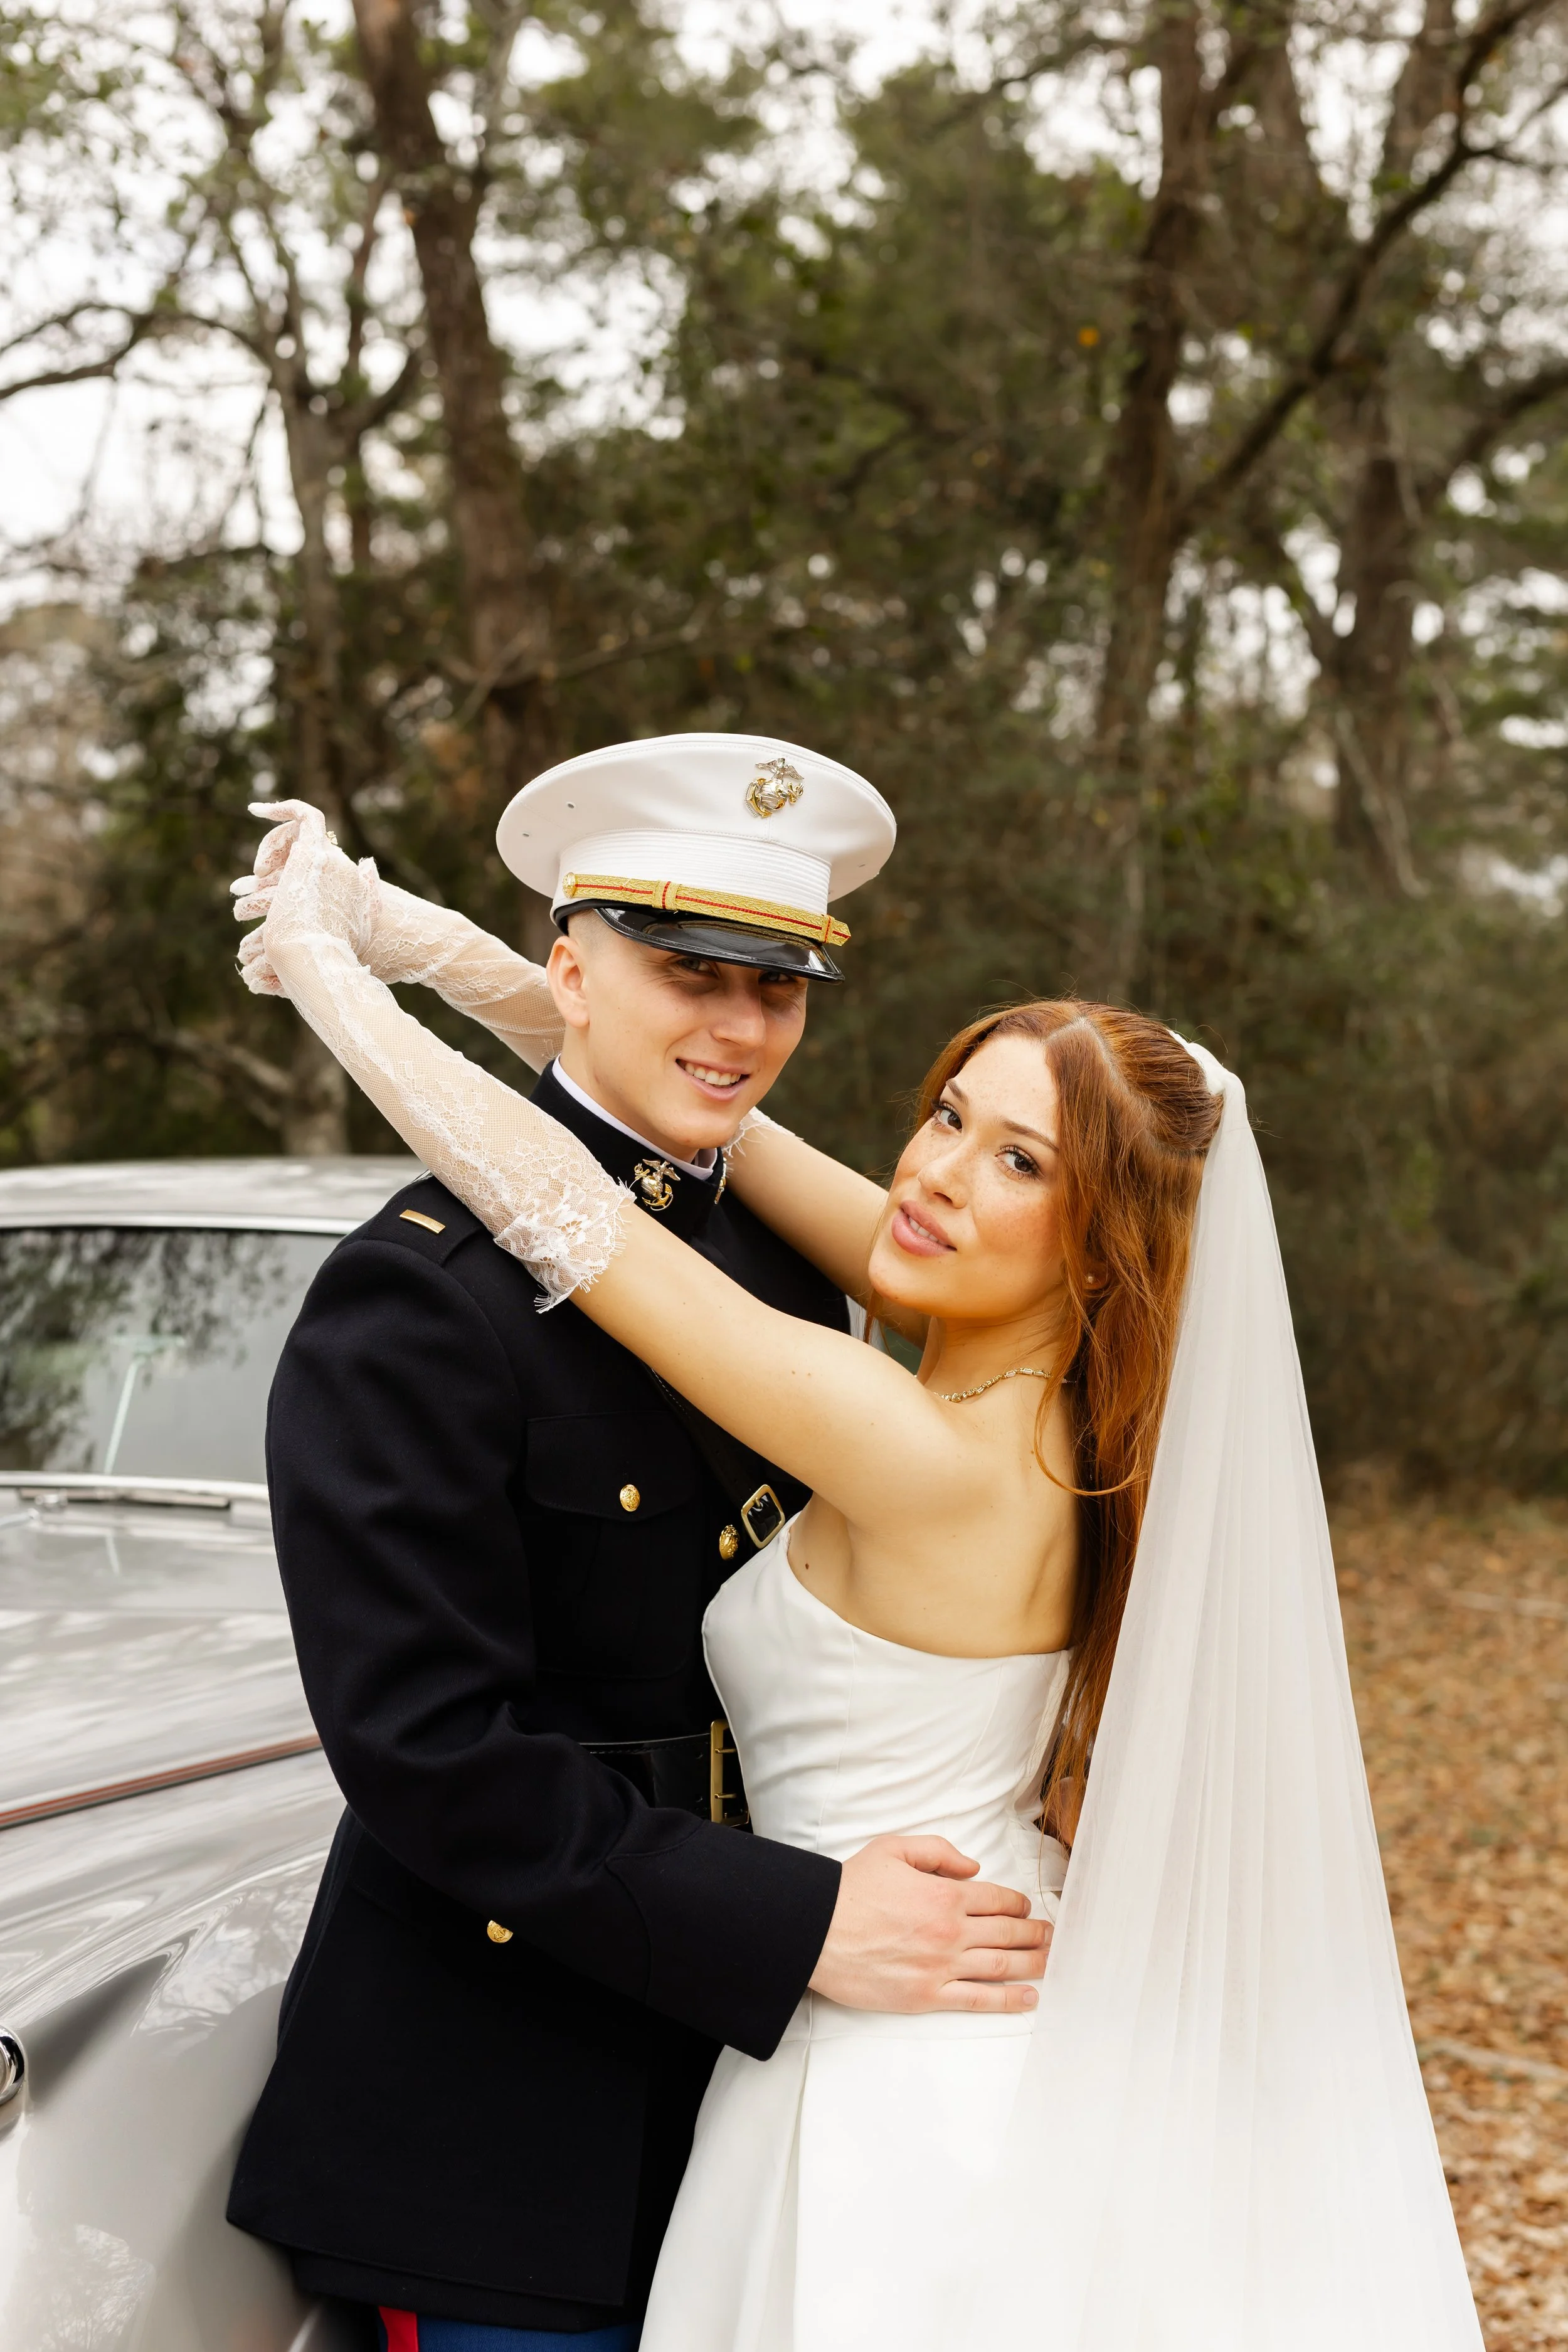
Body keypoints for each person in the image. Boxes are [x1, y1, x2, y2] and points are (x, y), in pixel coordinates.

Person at [235, 778, 1486, 2352]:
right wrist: (449, 949)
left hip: (882, 2064)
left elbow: (568, 1211)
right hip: (706, 2060)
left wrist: (335, 975)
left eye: (1024, 1164)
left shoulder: (927, 1442)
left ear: (1106, 1242)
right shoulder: (1015, 1379)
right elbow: (713, 1117)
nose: (942, 1175)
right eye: (951, 1113)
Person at [225, 736, 1050, 2352]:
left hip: (782, 2096)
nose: (740, 1030)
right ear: (570, 970)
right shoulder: (417, 1297)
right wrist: (796, 1923)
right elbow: (433, 1751)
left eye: (781, 988)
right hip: (515, 2126)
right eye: (686, 971)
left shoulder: (781, 1254)